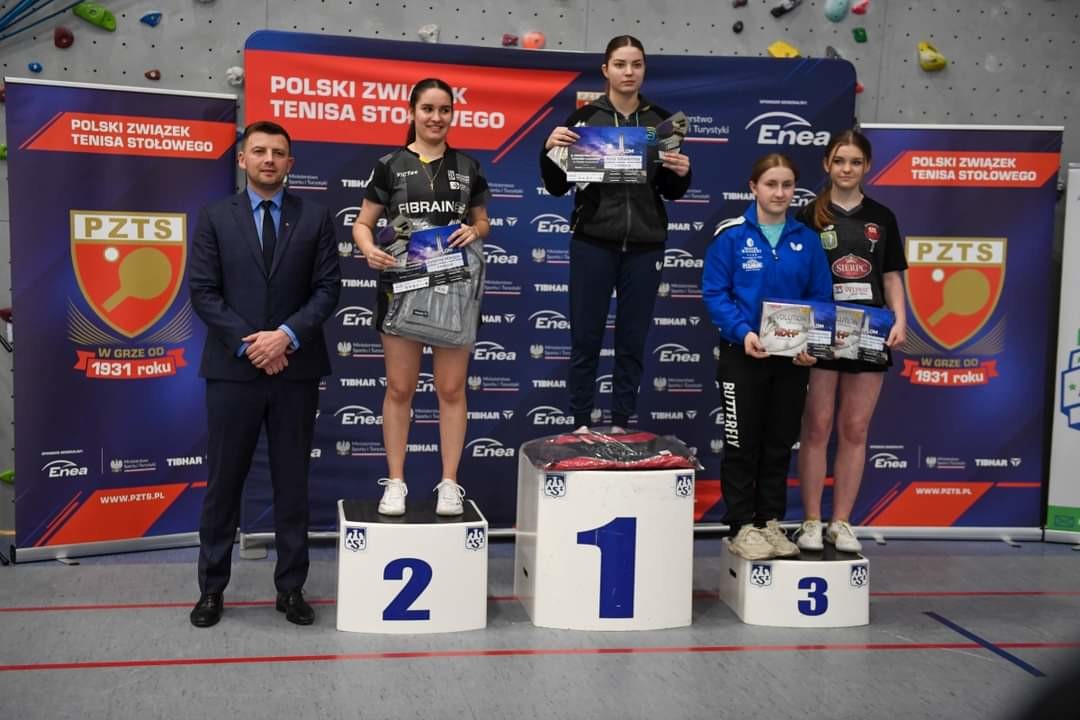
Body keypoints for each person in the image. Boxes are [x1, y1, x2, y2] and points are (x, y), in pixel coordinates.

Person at [188, 120, 341, 627]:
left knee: (291, 485)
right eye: (259, 151)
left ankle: (291, 588)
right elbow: (203, 290)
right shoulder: (214, 217)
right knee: (223, 485)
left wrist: (286, 337)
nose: (269, 159)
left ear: (290, 163)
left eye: (278, 152)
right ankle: (211, 590)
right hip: (233, 372)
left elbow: (327, 289)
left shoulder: (315, 218)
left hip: (295, 371)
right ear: (242, 159)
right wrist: (253, 344)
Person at [352, 78, 491, 517]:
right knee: (400, 388)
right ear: (411, 112)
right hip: (402, 285)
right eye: (428, 109)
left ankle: (449, 483)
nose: (436, 117)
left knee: (451, 389)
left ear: (453, 114)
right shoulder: (390, 166)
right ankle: (396, 482)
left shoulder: (468, 166)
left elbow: (483, 222)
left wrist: (474, 231)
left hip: (454, 288)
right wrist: (369, 249)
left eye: (444, 110)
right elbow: (362, 223)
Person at [540, 34, 691, 433]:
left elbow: (670, 190)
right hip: (593, 242)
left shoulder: (662, 123)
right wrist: (548, 149)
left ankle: (621, 424)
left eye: (636, 64)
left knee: (632, 341)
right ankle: (580, 424)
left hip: (645, 246)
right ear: (606, 70)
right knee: (585, 339)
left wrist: (683, 173)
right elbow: (556, 186)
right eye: (621, 64)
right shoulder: (583, 119)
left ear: (644, 70)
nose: (629, 72)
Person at [702, 153, 832, 561]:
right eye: (771, 184)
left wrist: (810, 344)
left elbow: (820, 299)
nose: (779, 193)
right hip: (742, 354)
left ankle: (770, 521)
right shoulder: (731, 236)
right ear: (753, 187)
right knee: (742, 444)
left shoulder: (807, 240)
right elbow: (715, 293)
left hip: (790, 360)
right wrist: (743, 332)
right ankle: (742, 525)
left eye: (787, 185)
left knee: (779, 444)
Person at [794, 130, 908, 553]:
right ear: (827, 164)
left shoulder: (883, 216)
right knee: (817, 426)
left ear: (867, 166)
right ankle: (810, 520)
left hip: (870, 331)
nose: (847, 169)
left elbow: (892, 276)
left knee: (855, 429)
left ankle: (840, 522)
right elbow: (796, 277)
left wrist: (901, 319)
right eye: (839, 161)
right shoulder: (808, 215)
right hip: (822, 329)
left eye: (855, 162)